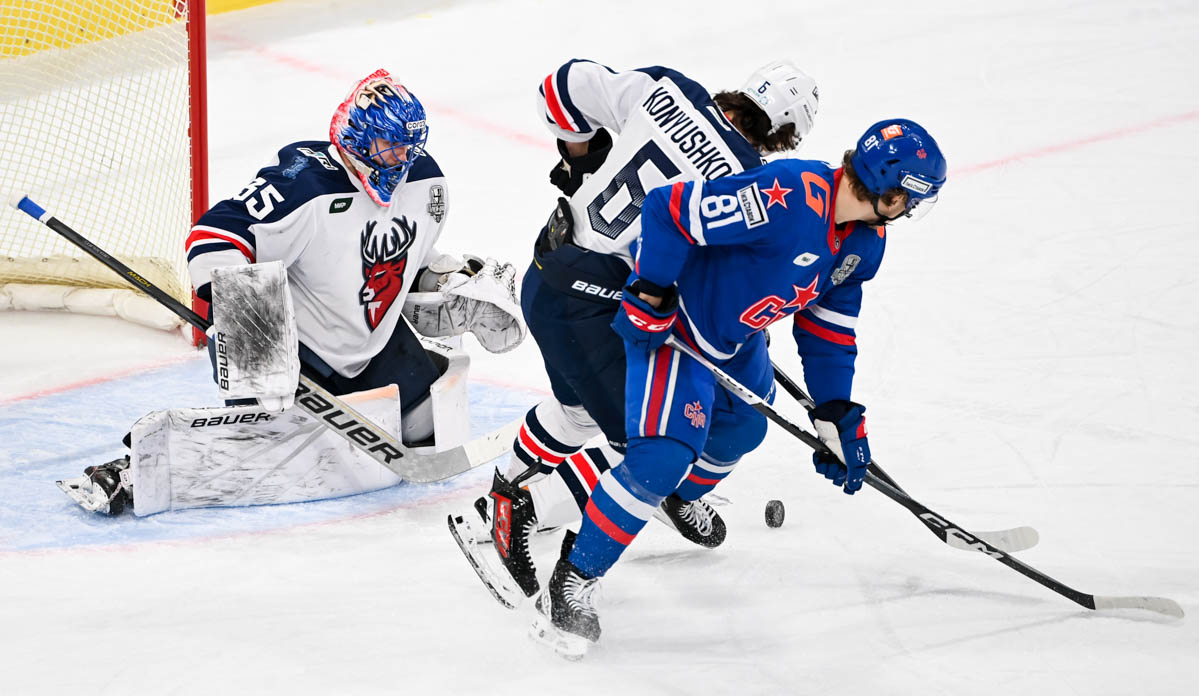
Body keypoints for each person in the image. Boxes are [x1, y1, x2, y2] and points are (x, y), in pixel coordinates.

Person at [529, 119, 948, 658]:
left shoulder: (865, 244)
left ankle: (679, 498)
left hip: (737, 339)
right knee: (661, 458)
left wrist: (836, 411)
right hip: (676, 327)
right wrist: (651, 290)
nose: (909, 210)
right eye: (911, 199)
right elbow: (668, 209)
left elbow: (828, 329)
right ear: (891, 190)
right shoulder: (790, 194)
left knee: (743, 430)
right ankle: (573, 580)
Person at [57, 69, 524, 516]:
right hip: (298, 354)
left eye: (409, 145)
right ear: (358, 140)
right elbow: (213, 238)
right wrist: (247, 327)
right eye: (389, 144)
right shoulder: (304, 183)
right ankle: (128, 473)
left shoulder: (425, 182)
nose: (401, 157)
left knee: (427, 426)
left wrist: (445, 281)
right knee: (251, 453)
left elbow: (411, 257)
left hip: (373, 345)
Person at [449, 59, 820, 605]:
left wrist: (582, 160)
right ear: (785, 134)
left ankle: (496, 502)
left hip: (549, 276)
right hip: (591, 308)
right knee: (651, 451)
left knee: (577, 411)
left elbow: (560, 87)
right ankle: (517, 511)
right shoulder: (745, 184)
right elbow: (700, 283)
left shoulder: (667, 90)